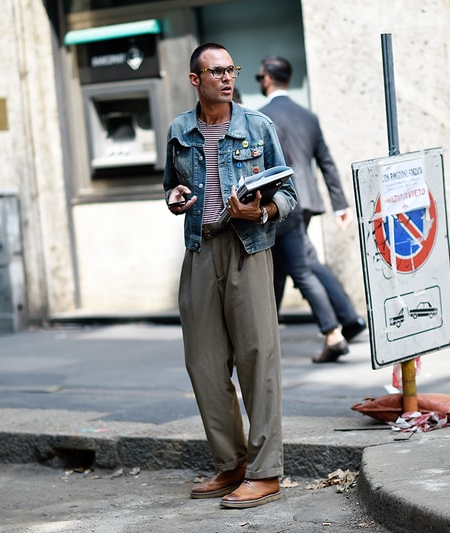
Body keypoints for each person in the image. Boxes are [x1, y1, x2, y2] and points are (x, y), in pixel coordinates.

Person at [163, 43, 297, 509]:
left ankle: (266, 472)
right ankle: (232, 463)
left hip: (248, 248)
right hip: (200, 249)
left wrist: (262, 211)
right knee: (203, 363)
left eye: (231, 69)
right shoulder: (179, 130)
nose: (226, 77)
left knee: (257, 360)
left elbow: (289, 193)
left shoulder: (259, 126)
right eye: (214, 71)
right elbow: (170, 185)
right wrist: (175, 196)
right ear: (194, 79)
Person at [257, 55, 366, 363]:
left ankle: (333, 331)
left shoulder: (262, 117)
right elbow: (326, 161)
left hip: (281, 201)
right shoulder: (308, 115)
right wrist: (340, 204)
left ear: (266, 79)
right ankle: (345, 318)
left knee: (300, 267)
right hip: (307, 200)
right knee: (291, 262)